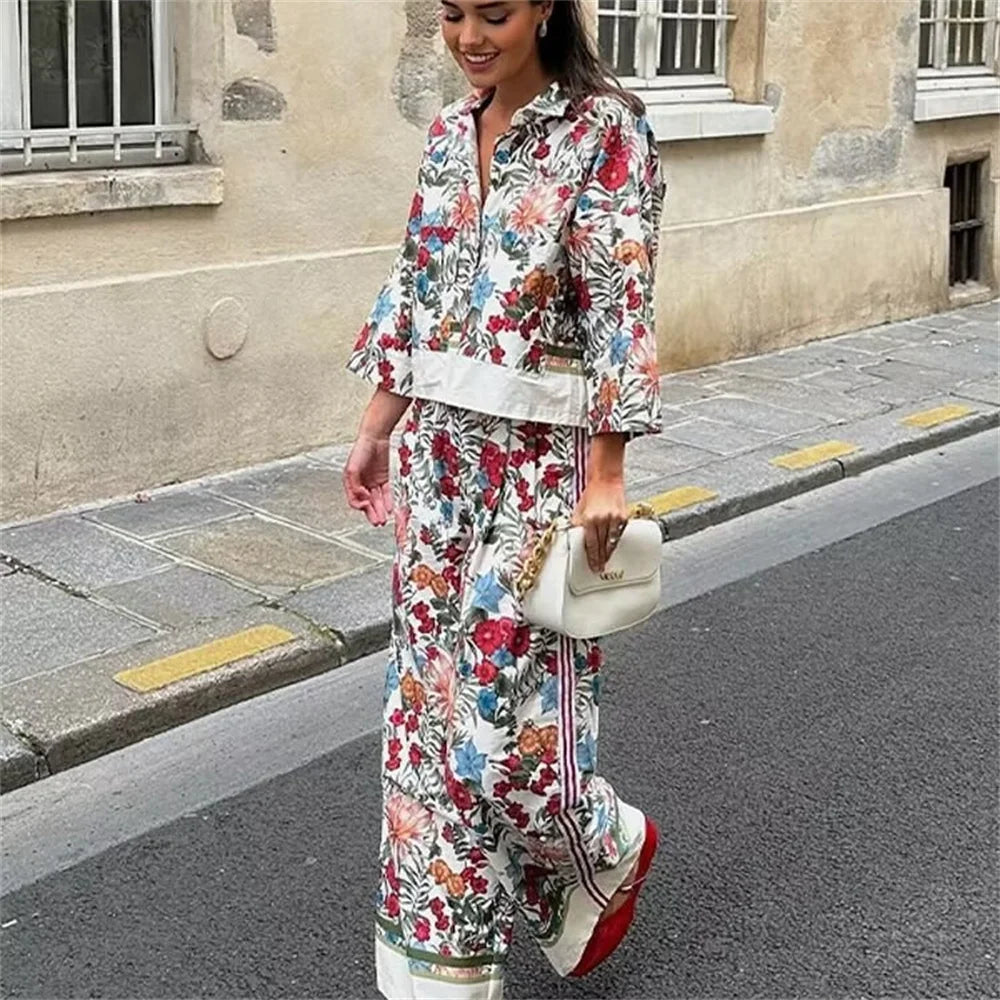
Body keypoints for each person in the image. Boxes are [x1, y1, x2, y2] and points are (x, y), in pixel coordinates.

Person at [343, 1, 666, 996]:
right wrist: (375, 426)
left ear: (546, 9)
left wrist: (607, 467)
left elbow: (620, 293)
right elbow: (415, 287)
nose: (470, 34)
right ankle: (436, 969)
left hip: (539, 474)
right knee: (426, 717)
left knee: (504, 730)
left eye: (494, 10)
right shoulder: (447, 136)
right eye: (451, 12)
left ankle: (597, 841)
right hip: (439, 462)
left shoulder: (605, 129)